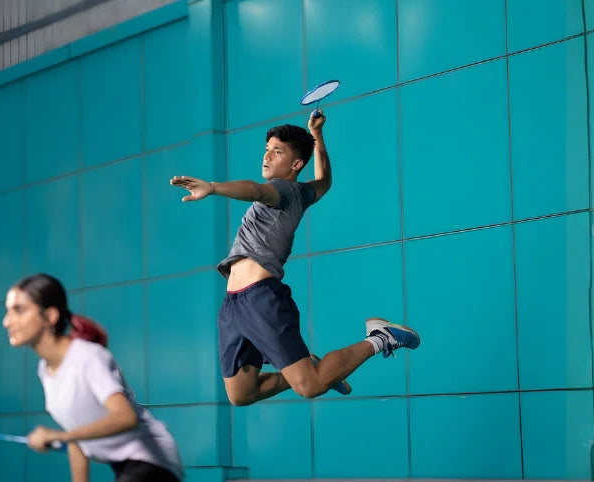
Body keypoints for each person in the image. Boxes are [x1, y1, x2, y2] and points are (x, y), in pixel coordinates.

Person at [169, 110, 422, 406]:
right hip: (234, 304)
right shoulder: (301, 193)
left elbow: (254, 189)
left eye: (277, 152)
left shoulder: (282, 191)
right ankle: (314, 368)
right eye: (266, 150)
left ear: (295, 164)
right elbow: (324, 181)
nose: (267, 157)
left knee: (311, 386)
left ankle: (380, 337)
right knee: (241, 394)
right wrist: (317, 135)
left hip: (259, 299)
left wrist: (213, 187)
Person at [4, 273, 184, 482]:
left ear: (49, 316)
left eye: (18, 310)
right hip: (125, 468)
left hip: (155, 462)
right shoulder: (45, 370)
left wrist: (61, 435)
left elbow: (125, 417)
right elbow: (77, 442)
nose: (7, 321)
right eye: (7, 311)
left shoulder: (88, 358)